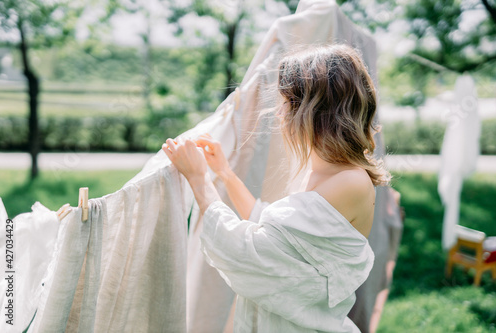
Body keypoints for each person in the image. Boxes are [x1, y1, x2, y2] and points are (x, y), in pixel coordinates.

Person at [162, 44, 390, 333]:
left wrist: (198, 180)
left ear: (315, 110)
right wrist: (224, 173)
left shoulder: (349, 182)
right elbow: (271, 230)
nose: (279, 113)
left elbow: (250, 253)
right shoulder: (324, 171)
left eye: (286, 102)